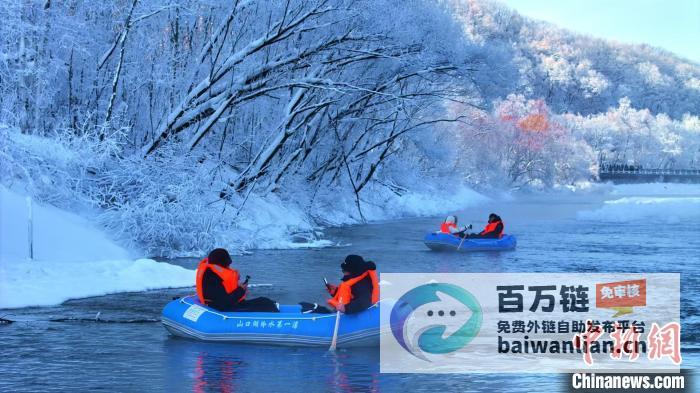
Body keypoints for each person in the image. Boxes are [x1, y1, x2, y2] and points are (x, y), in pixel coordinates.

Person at [196, 248, 279, 312]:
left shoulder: (211, 274)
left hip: (226, 304)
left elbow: (223, 294)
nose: (228, 266)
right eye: (227, 264)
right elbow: (222, 303)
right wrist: (241, 290)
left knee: (264, 301)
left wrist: (238, 288)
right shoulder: (212, 277)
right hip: (222, 309)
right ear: (222, 263)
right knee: (265, 304)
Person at [300, 255, 379, 314]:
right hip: (347, 311)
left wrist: (346, 308)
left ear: (352, 270)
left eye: (344, 270)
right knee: (315, 308)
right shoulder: (356, 281)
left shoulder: (361, 285)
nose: (343, 271)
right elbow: (351, 296)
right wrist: (335, 292)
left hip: (353, 314)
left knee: (320, 310)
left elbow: (364, 301)